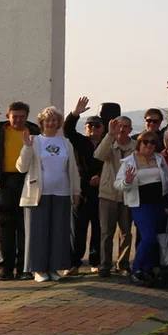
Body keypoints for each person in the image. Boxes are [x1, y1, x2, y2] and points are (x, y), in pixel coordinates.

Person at [0, 100, 41, 280]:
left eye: (22, 117)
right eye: (15, 116)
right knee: (3, 229)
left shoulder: (35, 132)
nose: (18, 120)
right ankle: (6, 268)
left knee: (24, 227)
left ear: (27, 117)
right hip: (2, 183)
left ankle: (24, 269)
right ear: (8, 116)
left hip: (27, 181)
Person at [16, 106, 80, 282]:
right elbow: (21, 167)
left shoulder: (66, 143)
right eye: (48, 120)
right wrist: (27, 147)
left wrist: (76, 192)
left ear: (59, 123)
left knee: (59, 232)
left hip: (62, 192)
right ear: (42, 123)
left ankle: (54, 268)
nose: (51, 123)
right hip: (37, 194)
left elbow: (73, 169)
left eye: (54, 120)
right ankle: (38, 270)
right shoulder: (35, 141)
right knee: (38, 232)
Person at [112, 131, 168, 285]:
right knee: (149, 237)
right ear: (139, 144)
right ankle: (136, 268)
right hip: (141, 205)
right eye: (145, 142)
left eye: (153, 142)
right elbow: (117, 184)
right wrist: (127, 181)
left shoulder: (159, 159)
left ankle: (148, 269)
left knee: (158, 239)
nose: (149, 145)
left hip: (160, 204)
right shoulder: (129, 161)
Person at [63, 98, 103, 274]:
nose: (92, 128)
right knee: (78, 229)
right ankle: (74, 263)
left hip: (102, 191)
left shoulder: (108, 143)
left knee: (98, 228)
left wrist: (101, 177)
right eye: (89, 126)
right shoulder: (79, 141)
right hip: (81, 191)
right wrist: (75, 114)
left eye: (96, 126)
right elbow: (67, 130)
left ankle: (96, 261)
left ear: (102, 129)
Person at [95, 116, 138, 277]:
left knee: (126, 231)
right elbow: (98, 156)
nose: (122, 129)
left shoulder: (136, 147)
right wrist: (109, 135)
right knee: (106, 232)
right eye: (119, 126)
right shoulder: (109, 143)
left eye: (126, 126)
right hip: (108, 194)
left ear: (130, 129)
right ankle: (105, 264)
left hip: (128, 195)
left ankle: (123, 263)